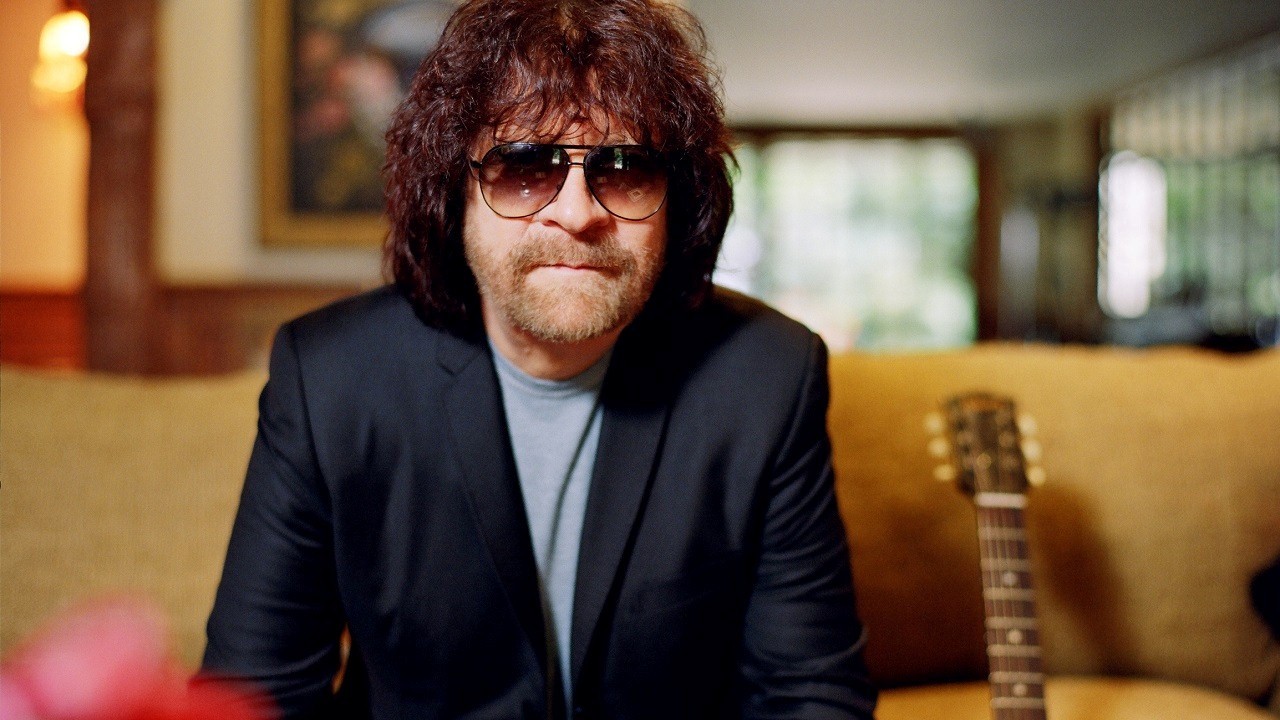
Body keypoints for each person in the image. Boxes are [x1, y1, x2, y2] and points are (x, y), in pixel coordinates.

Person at [201, 0, 878, 717]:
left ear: (676, 203)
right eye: (524, 167)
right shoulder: (329, 379)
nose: (578, 213)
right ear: (453, 194)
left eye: (625, 168)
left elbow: (811, 694)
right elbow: (252, 699)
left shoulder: (769, 377)